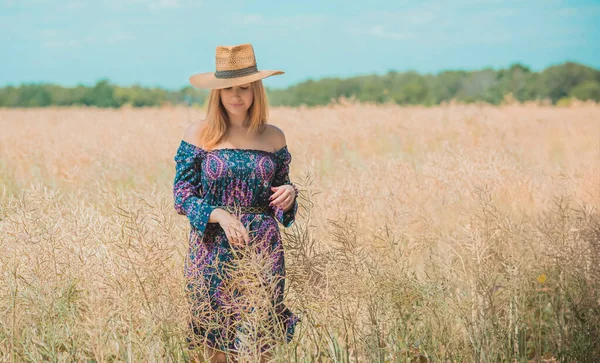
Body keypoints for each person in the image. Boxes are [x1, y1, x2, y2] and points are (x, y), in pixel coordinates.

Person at [173, 43, 300, 363]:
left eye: (244, 87)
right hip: (213, 245)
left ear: (256, 90)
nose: (236, 95)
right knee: (215, 340)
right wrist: (220, 215)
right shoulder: (199, 133)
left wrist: (290, 193)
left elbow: (280, 189)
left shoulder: (273, 136)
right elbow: (182, 194)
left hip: (263, 246)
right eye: (228, 88)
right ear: (217, 92)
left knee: (264, 340)